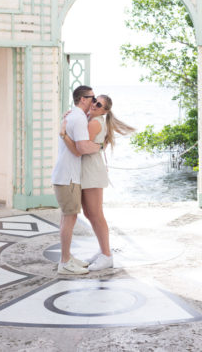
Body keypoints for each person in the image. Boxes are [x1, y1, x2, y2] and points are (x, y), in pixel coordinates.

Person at [60, 94, 135, 271]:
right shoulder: (90, 119)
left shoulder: (94, 122)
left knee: (96, 214)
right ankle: (103, 252)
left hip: (91, 172)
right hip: (87, 171)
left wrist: (65, 130)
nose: (94, 104)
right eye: (94, 101)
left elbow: (81, 146)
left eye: (99, 104)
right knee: (90, 213)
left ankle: (107, 255)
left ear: (105, 110)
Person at [51, 85, 101, 275]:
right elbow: (81, 148)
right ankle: (64, 262)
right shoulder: (78, 119)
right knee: (69, 219)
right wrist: (99, 146)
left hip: (66, 175)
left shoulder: (73, 116)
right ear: (83, 99)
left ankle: (67, 257)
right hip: (68, 177)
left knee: (67, 218)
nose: (94, 102)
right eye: (92, 98)